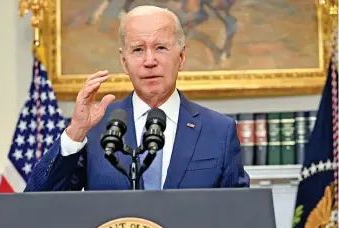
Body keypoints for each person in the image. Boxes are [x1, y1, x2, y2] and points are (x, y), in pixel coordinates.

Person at [24, 5, 250, 192]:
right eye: (138, 50)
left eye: (161, 48)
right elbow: (38, 204)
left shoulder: (219, 131)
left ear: (181, 57)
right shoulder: (95, 128)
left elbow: (240, 217)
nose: (149, 60)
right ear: (124, 62)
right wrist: (75, 132)